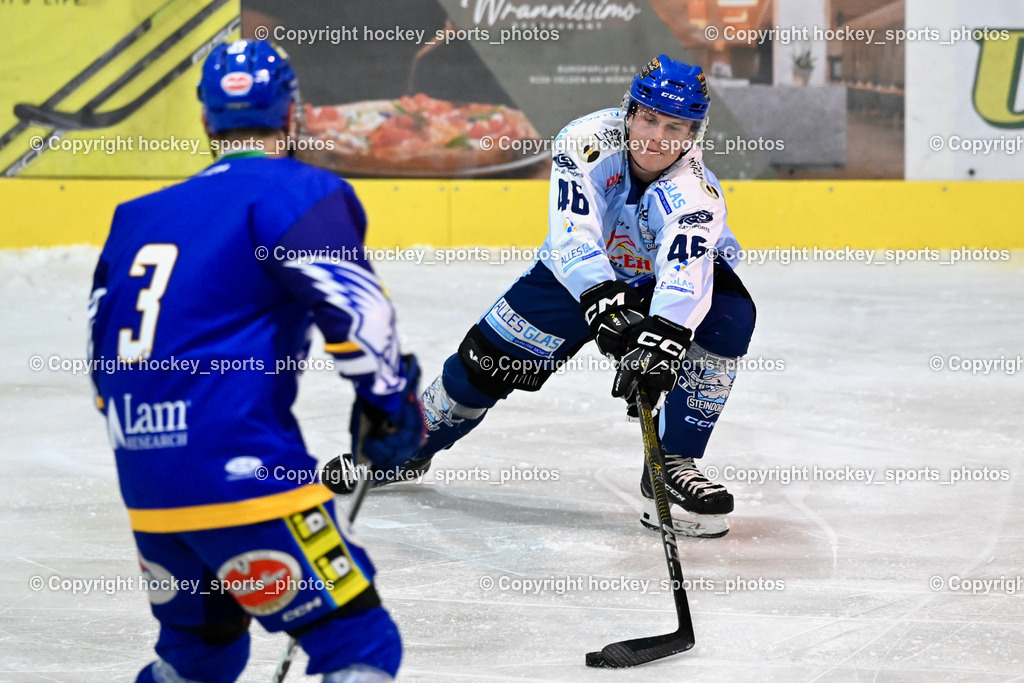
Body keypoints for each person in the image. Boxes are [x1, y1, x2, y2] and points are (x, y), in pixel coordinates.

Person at [88, 39, 423, 682]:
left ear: (208, 122)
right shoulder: (299, 192)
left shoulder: (136, 217)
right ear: (291, 114)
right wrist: (386, 404)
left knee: (203, 655)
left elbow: (103, 363)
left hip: (149, 482)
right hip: (246, 474)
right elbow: (356, 312)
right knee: (359, 642)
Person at [398, 55, 756, 539]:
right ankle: (405, 449)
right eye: (648, 118)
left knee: (731, 316)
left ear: (693, 135)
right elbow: (573, 234)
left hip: (655, 281)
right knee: (483, 365)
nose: (655, 138)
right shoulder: (585, 140)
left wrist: (663, 344)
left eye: (674, 127)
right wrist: (605, 302)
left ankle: (672, 464)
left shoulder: (699, 194)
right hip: (577, 273)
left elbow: (685, 272)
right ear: (628, 112)